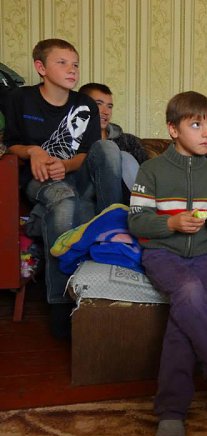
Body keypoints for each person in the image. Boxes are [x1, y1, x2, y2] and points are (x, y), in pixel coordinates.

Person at [128, 91, 207, 436]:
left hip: (203, 255)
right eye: (196, 125)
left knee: (182, 315)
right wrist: (171, 224)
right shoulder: (151, 170)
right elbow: (136, 220)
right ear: (173, 130)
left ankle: (171, 413)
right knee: (188, 293)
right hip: (162, 254)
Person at [3, 38, 123, 337]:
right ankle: (60, 302)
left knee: (108, 149)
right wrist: (34, 151)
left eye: (75, 64)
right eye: (62, 63)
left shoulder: (85, 104)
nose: (72, 70)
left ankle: (111, 223)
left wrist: (65, 165)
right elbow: (11, 144)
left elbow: (87, 154)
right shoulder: (20, 99)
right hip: (40, 180)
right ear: (40, 67)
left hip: (76, 174)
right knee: (65, 201)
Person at [79, 82, 147, 195]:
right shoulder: (71, 141)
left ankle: (140, 203)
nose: (106, 112)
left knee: (125, 157)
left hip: (130, 198)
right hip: (86, 197)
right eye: (98, 104)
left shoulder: (129, 142)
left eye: (109, 106)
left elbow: (148, 175)